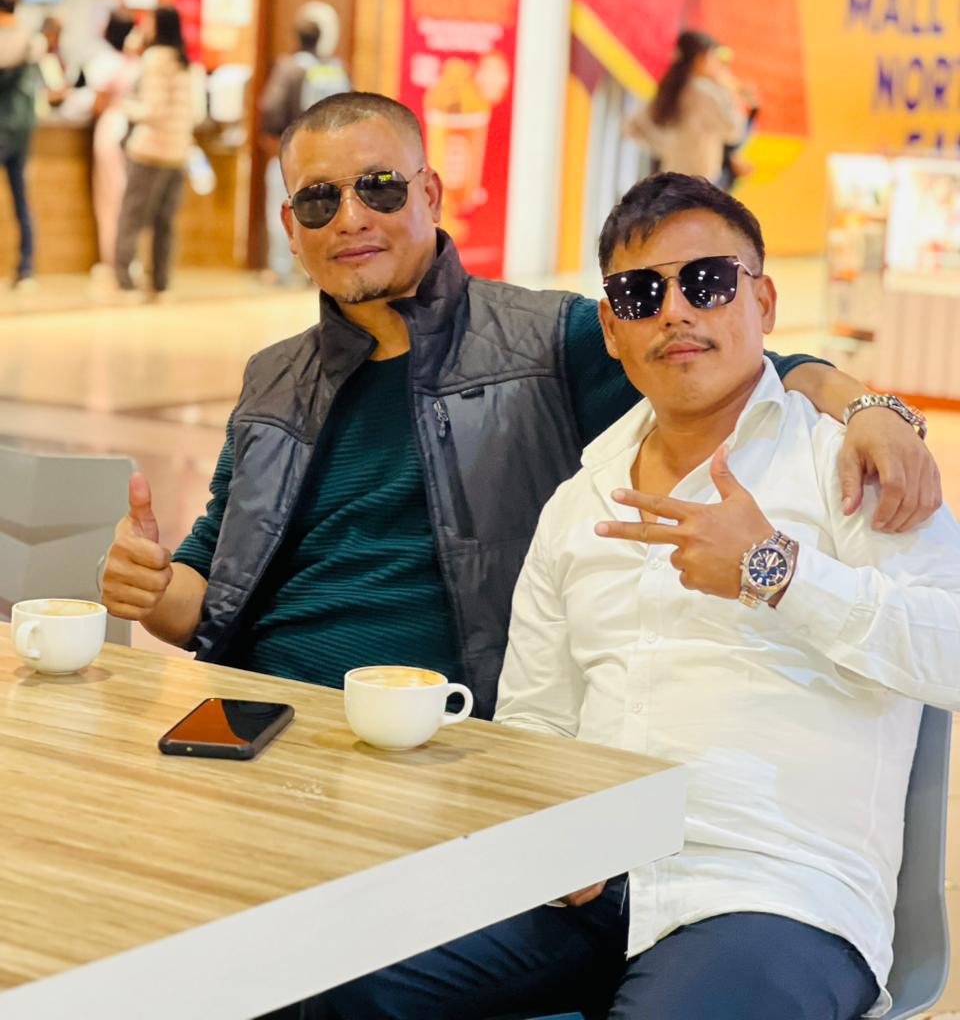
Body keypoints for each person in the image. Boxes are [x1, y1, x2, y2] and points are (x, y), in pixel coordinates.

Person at [319, 173, 960, 1020]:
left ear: (763, 301)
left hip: (770, 889)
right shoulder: (580, 500)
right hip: (584, 881)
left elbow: (949, 652)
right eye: (640, 293)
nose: (675, 312)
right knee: (326, 972)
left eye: (707, 281)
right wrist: (550, 825)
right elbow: (540, 718)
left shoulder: (850, 464)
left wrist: (775, 570)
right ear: (612, 330)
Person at [100, 94, 940, 725]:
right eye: (320, 200)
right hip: (261, 723)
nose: (351, 218)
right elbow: (208, 599)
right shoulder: (274, 378)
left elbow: (720, 358)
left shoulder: (546, 341)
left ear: (431, 193)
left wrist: (862, 403)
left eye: (380, 189)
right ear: (292, 225)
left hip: (437, 728)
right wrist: (151, 586)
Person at [114, 5, 205, 300]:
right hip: (178, 151)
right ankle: (161, 282)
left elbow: (152, 109)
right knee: (165, 222)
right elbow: (196, 113)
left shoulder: (155, 58)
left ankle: (124, 281)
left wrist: (126, 105)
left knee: (132, 217)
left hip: (149, 150)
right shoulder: (186, 61)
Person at [258, 6, 351, 284]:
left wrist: (272, 140)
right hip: (334, 157)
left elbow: (272, 108)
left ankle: (280, 269)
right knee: (327, 212)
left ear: (296, 37)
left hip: (293, 154)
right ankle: (319, 271)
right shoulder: (335, 69)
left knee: (283, 210)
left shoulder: (289, 68)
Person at [625, 30, 747, 185]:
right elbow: (734, 131)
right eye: (713, 58)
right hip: (698, 181)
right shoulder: (705, 92)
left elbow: (634, 127)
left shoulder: (672, 89)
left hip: (672, 175)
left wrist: (665, 147)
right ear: (701, 59)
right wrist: (727, 90)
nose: (717, 64)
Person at [85, 9, 139, 274]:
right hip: (133, 130)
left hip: (110, 129)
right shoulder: (138, 63)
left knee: (110, 197)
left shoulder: (105, 62)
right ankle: (130, 259)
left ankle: (114, 261)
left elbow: (98, 105)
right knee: (128, 195)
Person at [0, 0, 44, 289]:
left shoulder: (8, 40)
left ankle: (26, 267)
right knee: (21, 199)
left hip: (4, 127)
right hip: (24, 128)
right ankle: (26, 267)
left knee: (20, 199)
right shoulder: (32, 39)